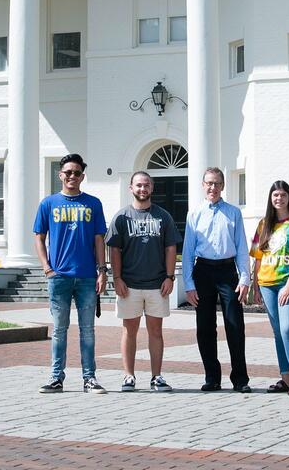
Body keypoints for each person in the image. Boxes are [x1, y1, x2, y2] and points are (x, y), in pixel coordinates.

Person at [33, 152, 108, 394]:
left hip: (86, 276)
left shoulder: (93, 203)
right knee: (59, 330)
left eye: (77, 173)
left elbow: (99, 240)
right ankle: (56, 378)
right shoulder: (48, 203)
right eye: (68, 172)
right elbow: (39, 237)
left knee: (87, 330)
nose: (72, 176)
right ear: (60, 175)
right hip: (60, 278)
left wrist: (102, 270)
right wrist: (47, 267)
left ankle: (90, 378)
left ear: (82, 176)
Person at [106, 170, 182, 392]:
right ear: (131, 188)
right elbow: (115, 250)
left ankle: (156, 376)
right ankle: (128, 376)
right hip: (129, 285)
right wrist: (117, 278)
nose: (142, 189)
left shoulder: (163, 216)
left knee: (156, 332)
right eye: (138, 185)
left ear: (152, 188)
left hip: (157, 285)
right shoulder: (122, 217)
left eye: (146, 185)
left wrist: (170, 277)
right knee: (129, 331)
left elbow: (171, 248)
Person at [182, 166, 251, 392]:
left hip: (227, 272)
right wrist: (189, 285)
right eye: (209, 183)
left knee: (234, 325)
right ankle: (212, 377)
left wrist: (244, 279)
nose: (213, 187)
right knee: (204, 327)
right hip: (203, 271)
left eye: (217, 183)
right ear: (203, 186)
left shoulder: (233, 213)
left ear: (223, 186)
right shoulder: (194, 214)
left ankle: (240, 379)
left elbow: (242, 247)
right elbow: (188, 251)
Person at [249, 180, 289, 397]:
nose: (279, 199)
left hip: (287, 285)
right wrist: (255, 285)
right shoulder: (263, 224)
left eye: (283, 195)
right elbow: (257, 256)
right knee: (277, 333)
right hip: (266, 284)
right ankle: (285, 379)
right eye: (275, 195)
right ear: (271, 198)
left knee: (287, 329)